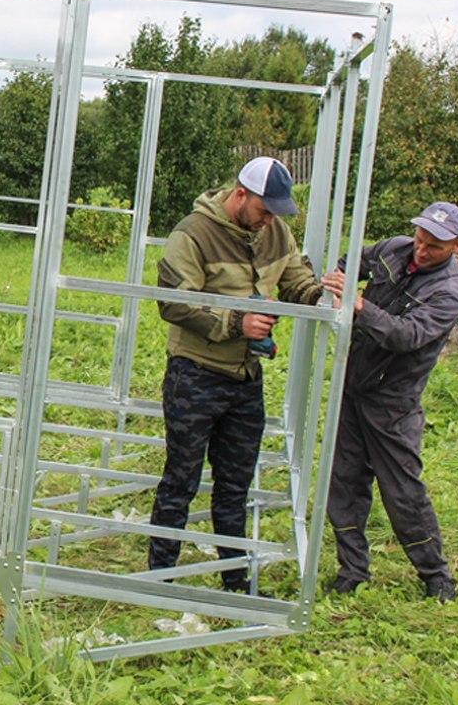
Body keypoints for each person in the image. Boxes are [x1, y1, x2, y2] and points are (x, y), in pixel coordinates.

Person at [149, 157, 323, 592]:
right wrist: (235, 323)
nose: (269, 221)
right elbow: (172, 302)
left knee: (235, 485)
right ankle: (160, 576)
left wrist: (320, 298)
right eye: (264, 210)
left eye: (276, 213)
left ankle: (234, 579)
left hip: (245, 379)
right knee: (181, 479)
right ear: (240, 194)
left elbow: (295, 278)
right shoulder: (192, 233)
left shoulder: (275, 230)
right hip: (196, 374)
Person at [321, 202, 458, 602]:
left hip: (394, 401)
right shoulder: (394, 249)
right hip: (354, 385)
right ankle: (352, 570)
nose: (422, 249)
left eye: (435, 245)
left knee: (402, 490)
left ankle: (436, 577)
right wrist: (337, 275)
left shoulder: (448, 292)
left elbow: (406, 336)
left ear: (457, 244)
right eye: (421, 237)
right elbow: (354, 260)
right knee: (345, 479)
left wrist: (360, 307)